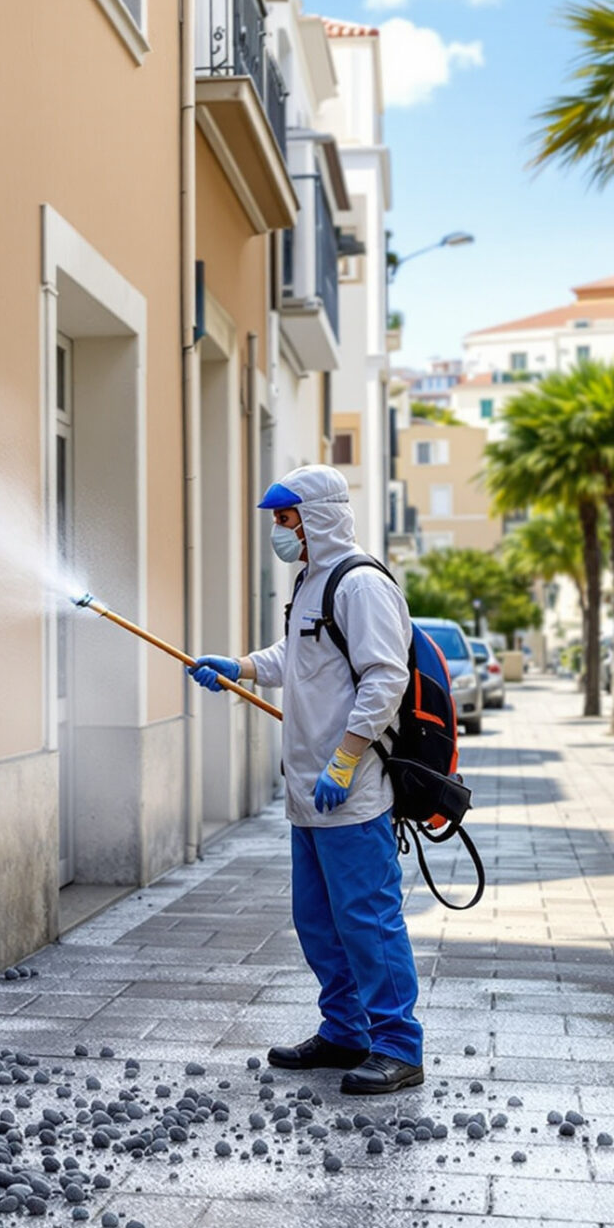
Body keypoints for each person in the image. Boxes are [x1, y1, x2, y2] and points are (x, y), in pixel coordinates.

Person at [186, 464, 425, 1094]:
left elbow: (384, 677)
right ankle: (345, 1030)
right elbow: (298, 658)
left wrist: (345, 759)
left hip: (350, 789)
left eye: (284, 517)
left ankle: (398, 1045)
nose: (278, 530)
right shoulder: (312, 582)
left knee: (367, 919)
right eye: (275, 519)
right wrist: (237, 666)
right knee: (318, 920)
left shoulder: (361, 583)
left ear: (316, 516)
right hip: (308, 793)